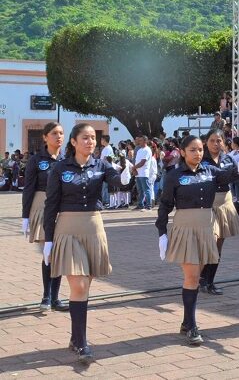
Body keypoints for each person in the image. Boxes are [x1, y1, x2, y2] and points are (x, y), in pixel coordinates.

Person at [156, 135, 239, 345]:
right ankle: (192, 325)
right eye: (192, 150)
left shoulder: (210, 171)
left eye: (199, 150)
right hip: (185, 228)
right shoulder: (174, 176)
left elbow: (227, 176)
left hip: (206, 227)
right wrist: (162, 232)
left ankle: (186, 322)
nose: (198, 153)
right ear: (183, 152)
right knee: (192, 277)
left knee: (197, 275)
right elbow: (165, 205)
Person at [43, 123, 133, 363]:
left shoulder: (101, 165)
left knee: (85, 286)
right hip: (68, 229)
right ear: (73, 142)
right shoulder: (60, 168)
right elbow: (51, 204)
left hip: (94, 228)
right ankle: (82, 342)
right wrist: (49, 240)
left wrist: (126, 176)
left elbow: (117, 181)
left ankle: (75, 337)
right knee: (79, 285)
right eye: (84, 138)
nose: (90, 142)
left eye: (93, 138)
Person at [22, 122, 68, 312]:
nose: (59, 137)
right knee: (48, 254)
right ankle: (46, 296)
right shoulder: (36, 160)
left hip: (63, 208)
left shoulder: (68, 158)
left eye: (61, 133)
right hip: (41, 205)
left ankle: (55, 298)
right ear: (45, 137)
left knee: (59, 254)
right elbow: (28, 188)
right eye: (54, 133)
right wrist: (25, 216)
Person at [197, 129, 239, 295]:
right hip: (209, 202)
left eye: (219, 141)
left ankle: (209, 281)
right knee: (211, 241)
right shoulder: (202, 160)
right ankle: (200, 278)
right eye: (212, 140)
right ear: (206, 142)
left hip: (225, 202)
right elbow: (219, 177)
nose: (216, 144)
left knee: (218, 244)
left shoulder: (228, 158)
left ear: (224, 142)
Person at [132, 136, 153, 211]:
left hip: (144, 173)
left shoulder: (147, 150)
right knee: (140, 190)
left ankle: (149, 206)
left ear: (145, 141)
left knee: (146, 190)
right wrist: (134, 169)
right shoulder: (139, 150)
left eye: (141, 141)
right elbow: (137, 161)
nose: (139, 142)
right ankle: (140, 205)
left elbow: (142, 162)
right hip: (138, 173)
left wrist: (134, 168)